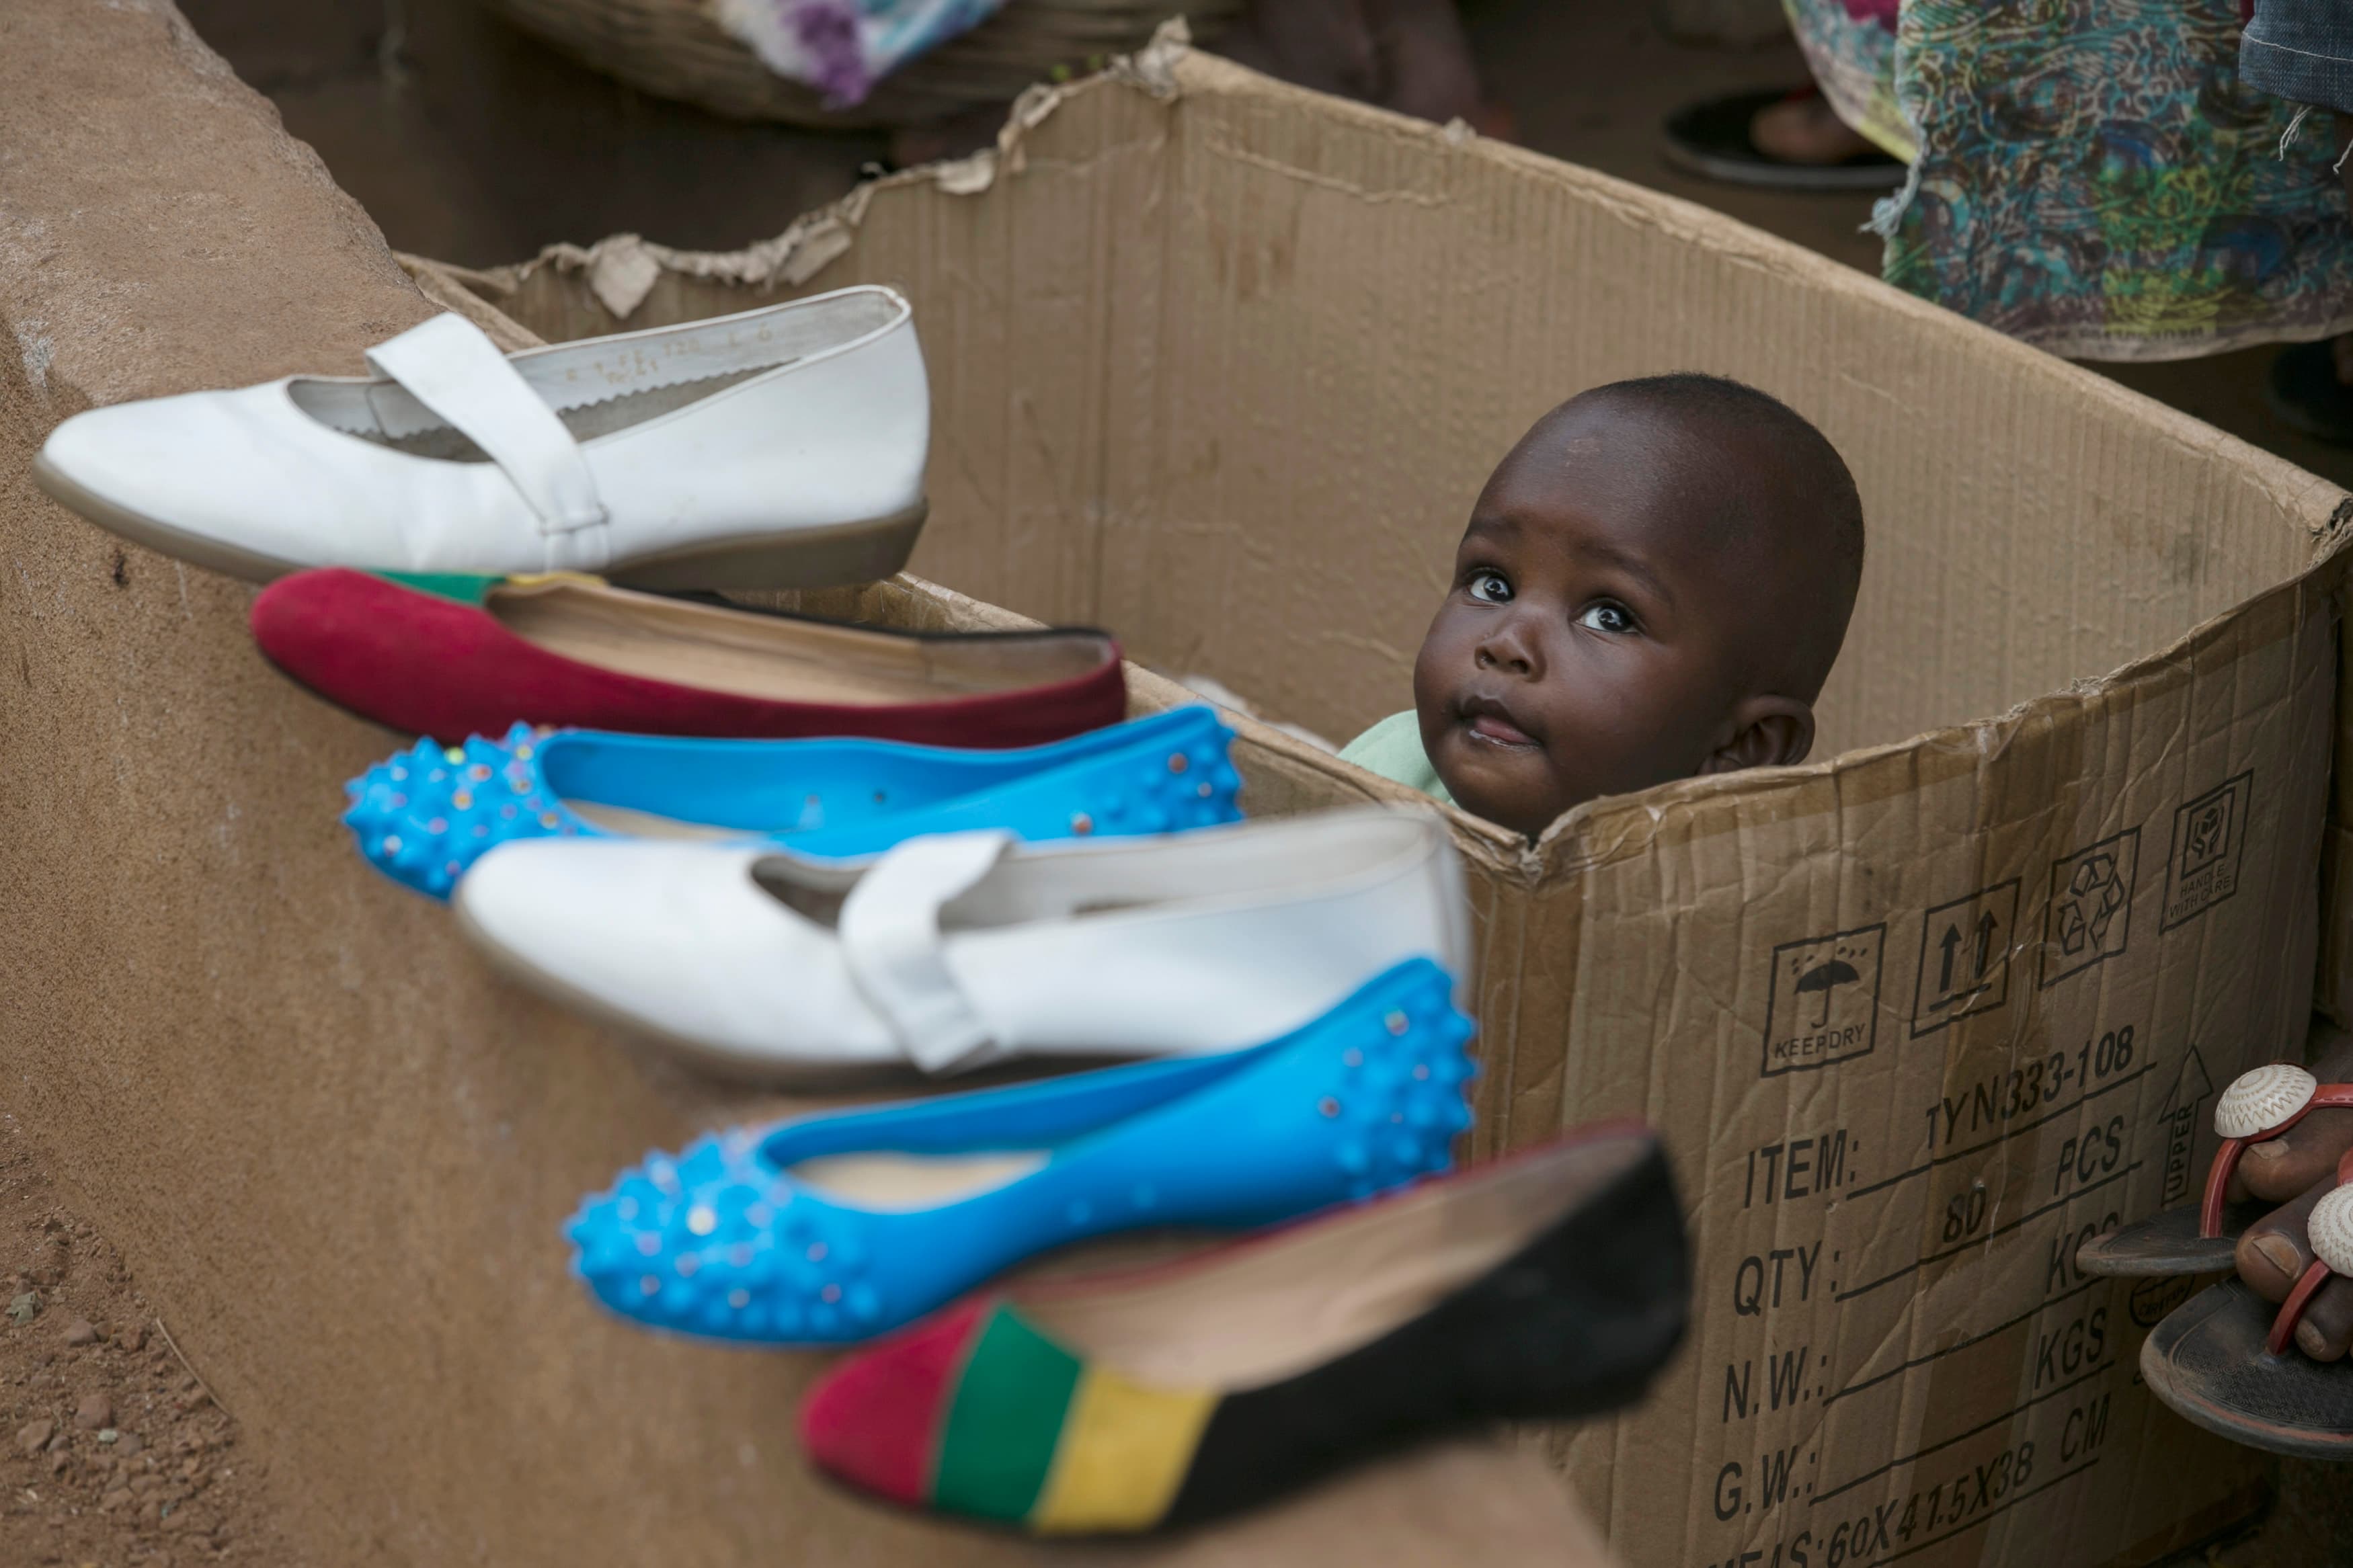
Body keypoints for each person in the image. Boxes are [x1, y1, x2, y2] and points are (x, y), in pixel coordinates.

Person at [1337, 374, 1864, 839]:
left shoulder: (1727, 924)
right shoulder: (1378, 786)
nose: (1507, 643)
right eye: (1492, 585)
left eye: (1608, 617)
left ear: (1747, 745)